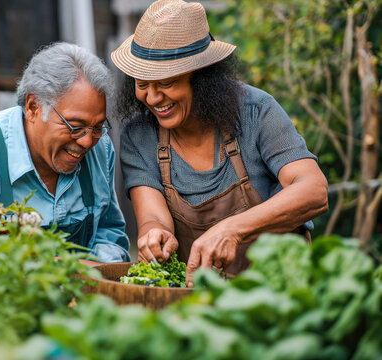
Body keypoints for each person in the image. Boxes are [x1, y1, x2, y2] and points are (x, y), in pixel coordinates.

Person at [111, 0, 328, 285]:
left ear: (201, 78)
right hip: (197, 303)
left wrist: (233, 229)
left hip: (282, 293)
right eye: (142, 84)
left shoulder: (256, 111)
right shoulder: (139, 135)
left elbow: (314, 191)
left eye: (166, 84)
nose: (152, 98)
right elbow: (153, 216)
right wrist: (153, 234)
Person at [0, 42, 130, 262]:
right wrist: (53, 273)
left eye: (98, 127)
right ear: (33, 107)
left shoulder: (99, 149)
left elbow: (109, 233)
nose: (86, 141)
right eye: (75, 126)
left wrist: (95, 266)